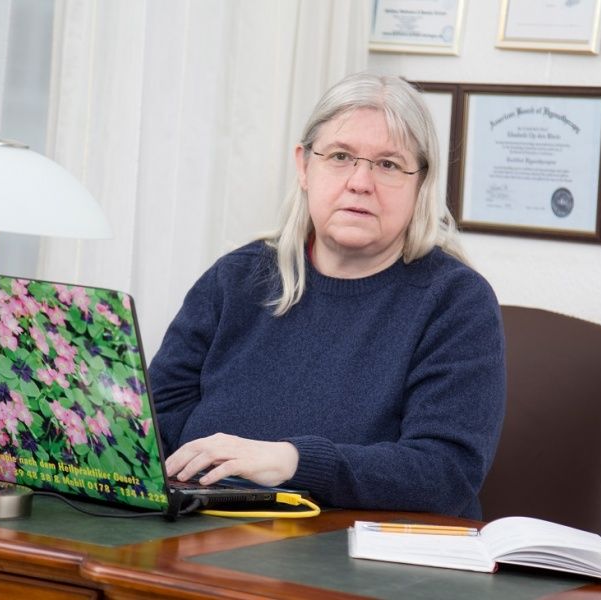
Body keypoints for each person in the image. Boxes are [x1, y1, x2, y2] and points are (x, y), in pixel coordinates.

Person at [148, 72, 505, 518]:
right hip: (208, 531)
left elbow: (446, 473)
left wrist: (294, 461)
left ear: (421, 184)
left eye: (388, 165)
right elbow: (155, 426)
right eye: (340, 156)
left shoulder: (455, 302)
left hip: (358, 549)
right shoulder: (235, 279)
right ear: (304, 166)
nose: (360, 182)